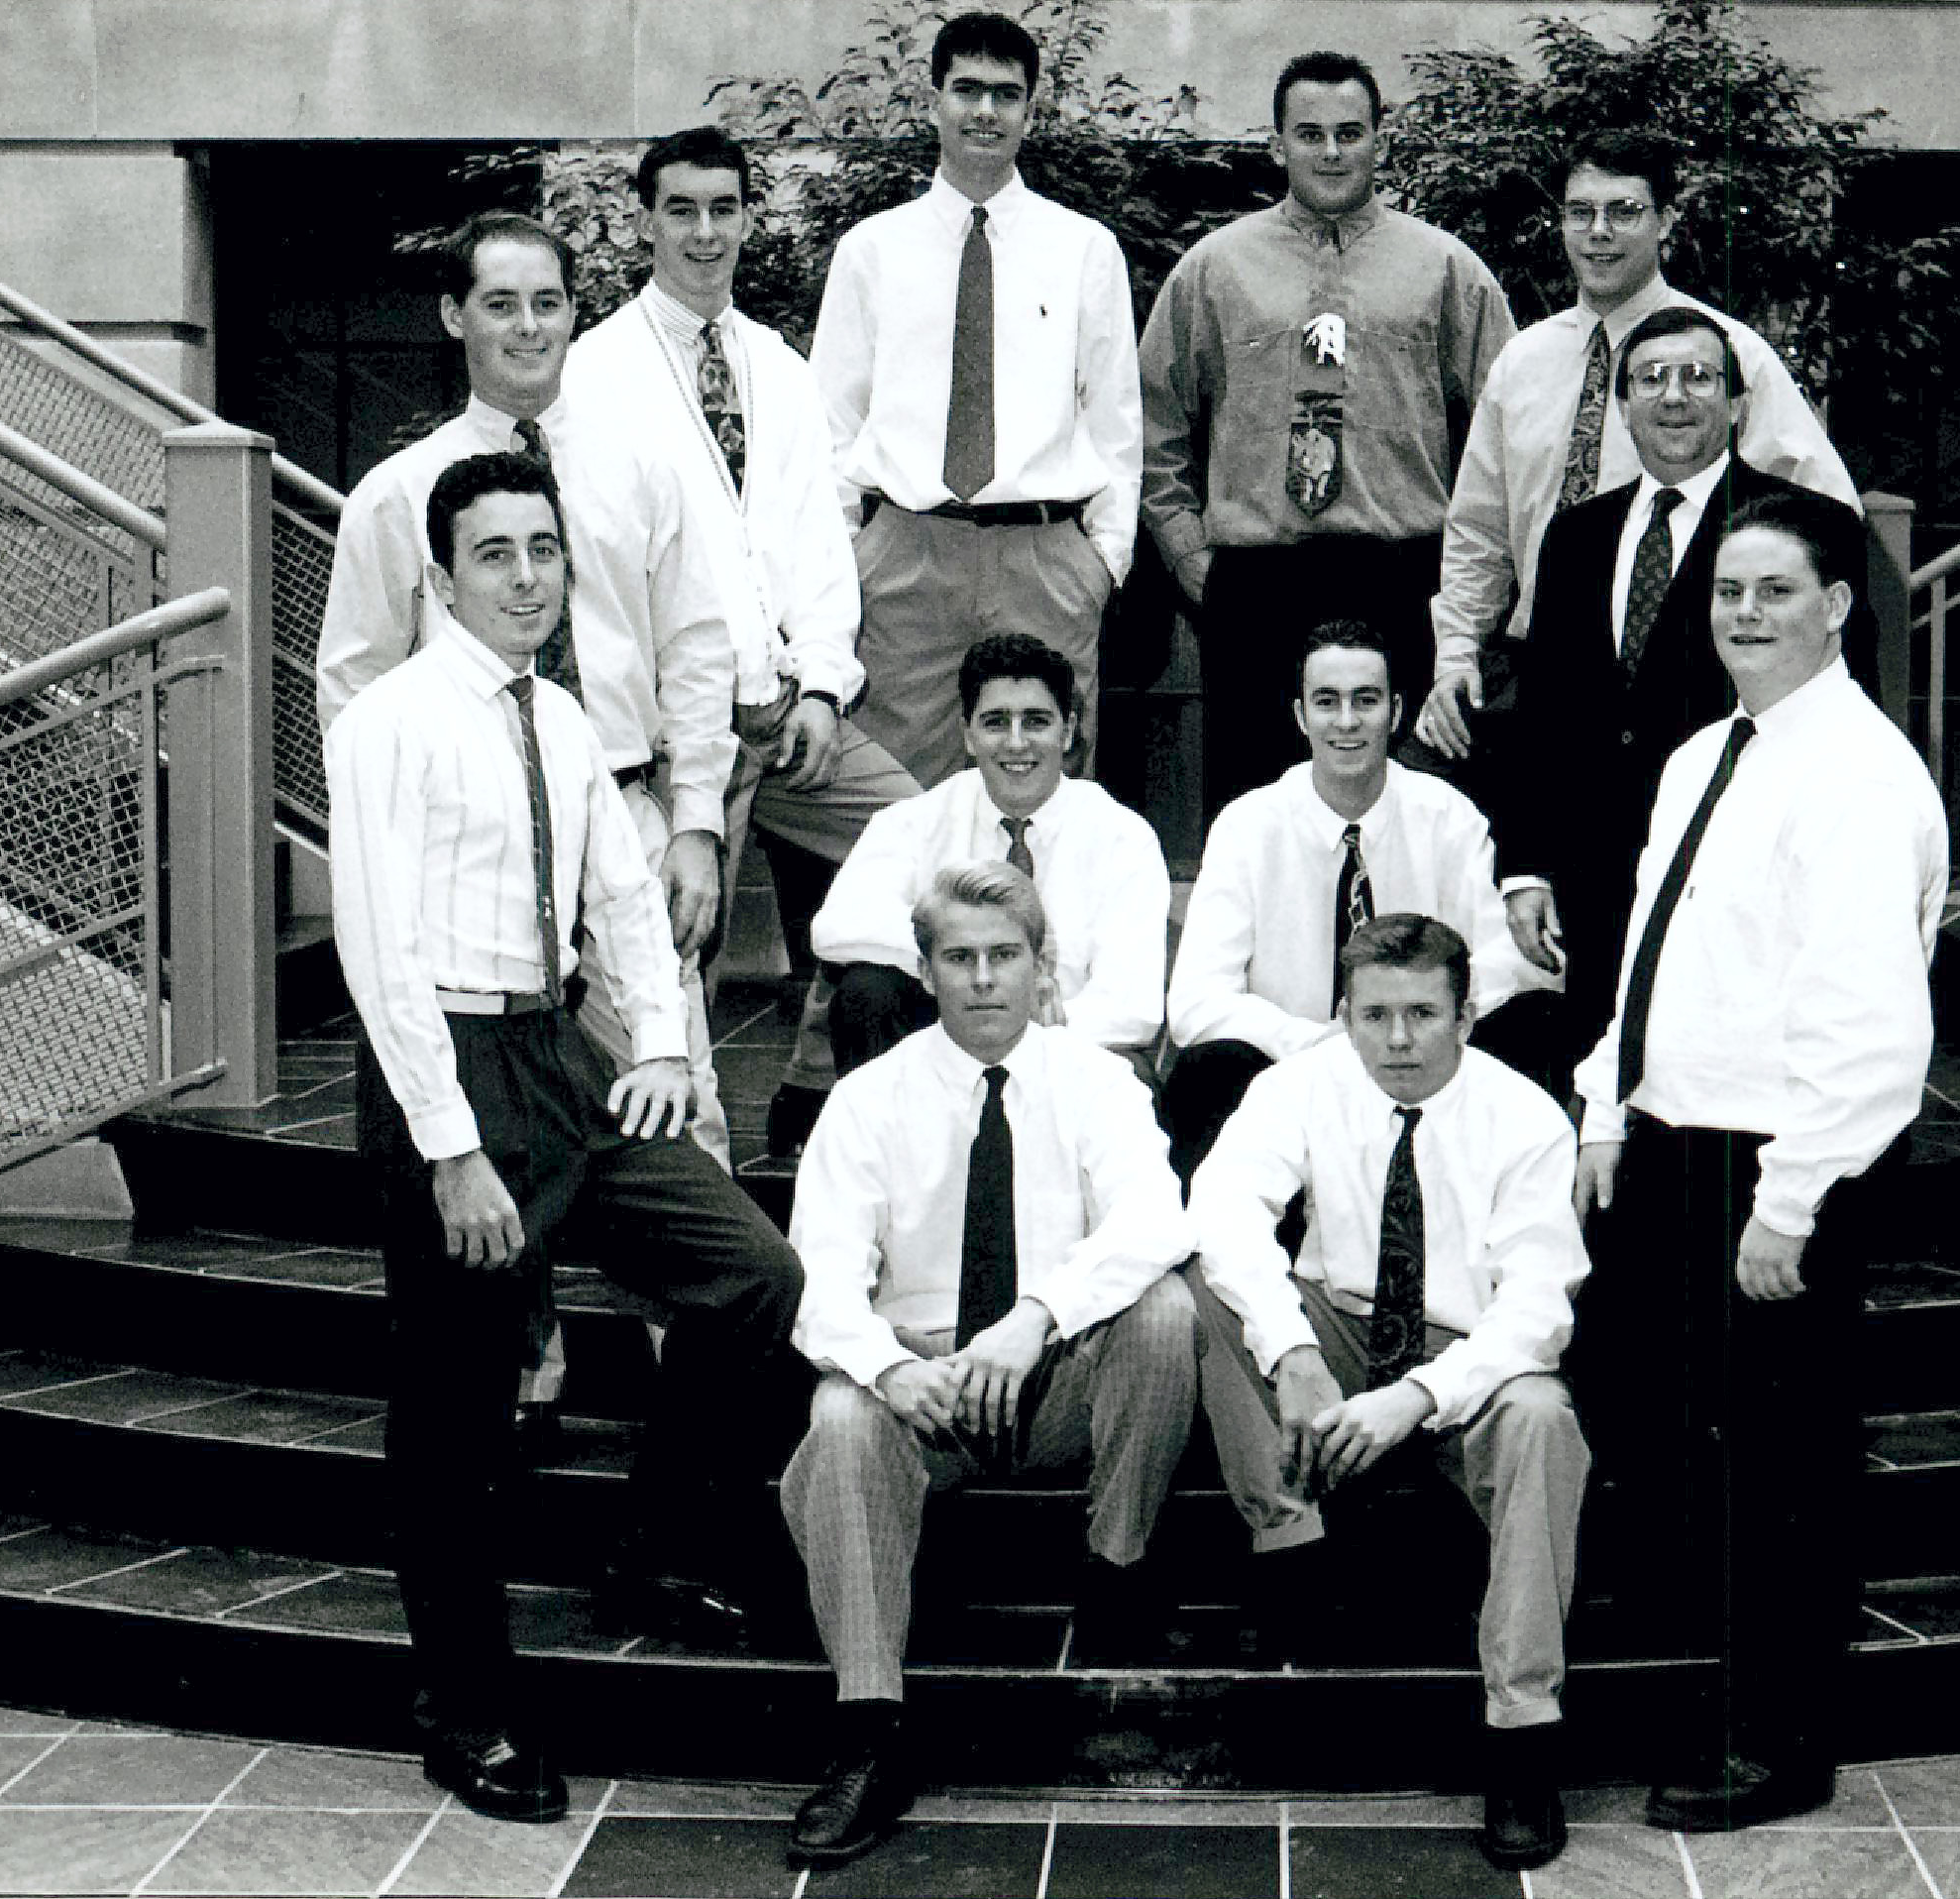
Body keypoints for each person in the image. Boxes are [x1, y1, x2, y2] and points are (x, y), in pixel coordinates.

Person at [325, 452, 804, 1826]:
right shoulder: (392, 723)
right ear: (440, 577)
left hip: (559, 1054)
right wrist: (450, 1149)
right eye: (495, 553)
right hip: (448, 1067)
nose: (527, 576)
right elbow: (378, 949)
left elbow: (624, 896)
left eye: (543, 549)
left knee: (751, 1276)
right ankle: (463, 1712)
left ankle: (648, 1549)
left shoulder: (562, 720)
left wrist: (656, 1044)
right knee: (455, 1410)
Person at [1570, 489, 1945, 1831]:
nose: (1742, 612)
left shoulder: (1857, 775)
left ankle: (1781, 1740)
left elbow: (1867, 1023)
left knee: (1781, 1468)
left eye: (1773, 590)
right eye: (1728, 590)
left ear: (1836, 606)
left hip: (1779, 1165)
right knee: (1680, 1448)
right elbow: (1652, 954)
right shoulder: (1703, 755)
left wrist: (1791, 1202)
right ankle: (1698, 1694)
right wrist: (1605, 1103)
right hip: (1673, 1143)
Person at [778, 862, 1199, 1868]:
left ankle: (1116, 1569)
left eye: (1003, 955)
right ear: (924, 971)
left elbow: (1156, 1218)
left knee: (1164, 1310)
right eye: (958, 957)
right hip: (922, 1389)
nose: (981, 978)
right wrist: (889, 1369)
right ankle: (869, 1729)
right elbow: (819, 1279)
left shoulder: (1096, 1081)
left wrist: (1037, 1315)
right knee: (840, 1409)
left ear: (1039, 965)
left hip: (1053, 1374)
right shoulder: (867, 1099)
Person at [318, 209, 756, 1174]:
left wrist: (695, 824)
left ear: (573, 314)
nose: (528, 326)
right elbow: (353, 689)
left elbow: (695, 652)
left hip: (625, 814)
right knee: (507, 1125)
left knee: (678, 1098)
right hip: (472, 844)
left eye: (548, 303)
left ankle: (689, 1273)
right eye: (501, 304)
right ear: (454, 315)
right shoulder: (398, 494)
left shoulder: (645, 470)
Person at [1190, 915, 1589, 1871]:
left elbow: (1537, 1306)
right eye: (1374, 1016)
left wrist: (1416, 1395)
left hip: (1465, 1354)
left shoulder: (1524, 1116)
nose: (1397, 1040)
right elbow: (1222, 1208)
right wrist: (1292, 1350)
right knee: (1202, 1285)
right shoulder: (1299, 1085)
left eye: (1422, 1014)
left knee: (1542, 1418)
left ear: (1466, 1015)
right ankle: (1291, 1549)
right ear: (1344, 1015)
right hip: (1336, 1326)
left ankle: (1521, 1730)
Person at [564, 125, 923, 1159]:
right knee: (678, 956)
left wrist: (823, 687)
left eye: (724, 209)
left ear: (749, 218)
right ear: (643, 221)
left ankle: (818, 1070)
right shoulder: (595, 371)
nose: (704, 232)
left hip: (785, 707)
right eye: (681, 209)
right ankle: (687, 1179)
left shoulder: (777, 365)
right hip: (679, 732)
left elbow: (818, 539)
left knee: (929, 848)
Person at [1475, 305, 1874, 1094]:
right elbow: (1540, 711)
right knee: (1599, 1094)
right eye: (1651, 379)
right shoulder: (1574, 535)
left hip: (1736, 871)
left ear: (1736, 401)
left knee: (1717, 1097)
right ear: (1623, 406)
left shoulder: (1806, 530)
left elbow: (1843, 703)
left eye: (1698, 377)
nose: (1674, 395)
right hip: (1593, 879)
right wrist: (1524, 867)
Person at [1138, 50, 1513, 816]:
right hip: (1256, 587)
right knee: (1256, 814)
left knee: (1408, 810)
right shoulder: (1213, 271)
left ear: (1379, 138)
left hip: (1403, 579)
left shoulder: (1448, 270)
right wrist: (1189, 555)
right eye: (1309, 134)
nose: (1331, 152)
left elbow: (1506, 432)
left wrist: (1472, 581)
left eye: (1350, 132)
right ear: (1277, 143)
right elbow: (1152, 422)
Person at [1419, 127, 1857, 762]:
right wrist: (1457, 658)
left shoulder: (1725, 354)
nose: (1599, 232)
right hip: (1540, 670)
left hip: (1692, 677)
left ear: (1664, 221)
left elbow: (1826, 516)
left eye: (1623, 212)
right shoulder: (1521, 362)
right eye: (1581, 213)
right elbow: (1479, 533)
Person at [812, 9, 1140, 788]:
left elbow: (1116, 424)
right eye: (966, 90)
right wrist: (850, 556)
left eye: (1006, 93)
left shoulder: (1083, 249)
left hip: (1044, 561)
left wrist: (1100, 563)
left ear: (1030, 110)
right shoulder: (871, 251)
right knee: (896, 799)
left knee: (1044, 795)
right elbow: (829, 422)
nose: (985, 111)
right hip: (905, 563)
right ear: (933, 101)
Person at [1163, 621, 1536, 1179]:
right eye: (1327, 701)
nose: (1346, 721)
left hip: (1424, 1067)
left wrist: (1410, 1020)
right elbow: (1195, 1004)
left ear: (1396, 711)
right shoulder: (1248, 826)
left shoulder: (1447, 816)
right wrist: (1321, 1044)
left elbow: (1508, 963)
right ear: (1300, 716)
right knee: (1208, 1070)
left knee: (1528, 1026)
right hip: (1289, 1072)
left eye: (1366, 700)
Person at [809, 632, 1169, 1082]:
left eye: (1036, 721)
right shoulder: (918, 820)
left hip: (1064, 1052)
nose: (1016, 743)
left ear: (1068, 731)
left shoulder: (1123, 838)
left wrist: (1027, 1029)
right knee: (868, 992)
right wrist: (972, 974)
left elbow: (1134, 1007)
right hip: (944, 1046)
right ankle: (893, 1131)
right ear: (968, 735)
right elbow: (837, 927)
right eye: (996, 722)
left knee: (1133, 1077)